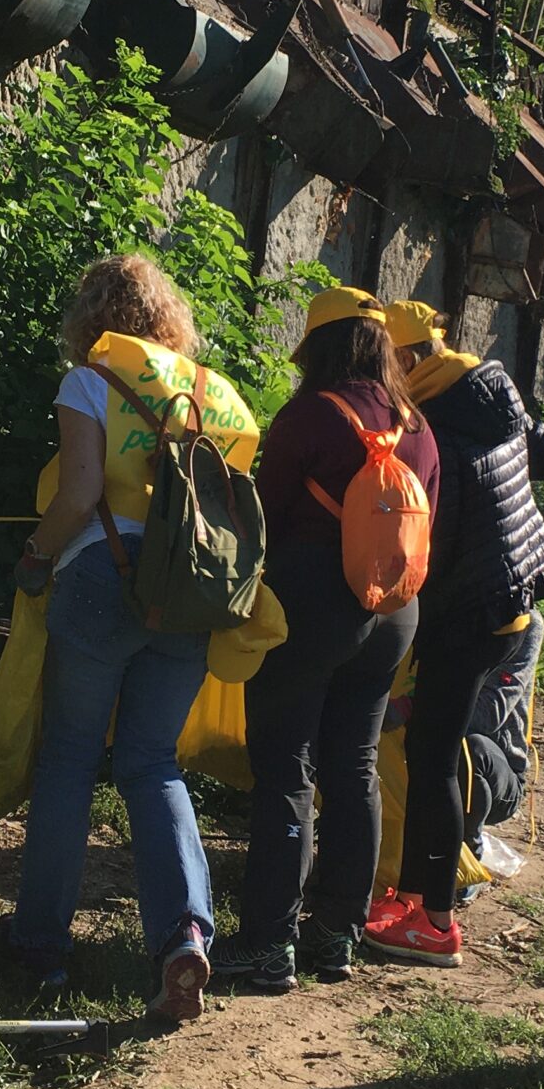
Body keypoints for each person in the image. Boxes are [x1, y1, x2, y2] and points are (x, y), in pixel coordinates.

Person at [9, 253, 252, 1025]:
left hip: (102, 583)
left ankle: (40, 947)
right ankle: (183, 932)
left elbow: (80, 495)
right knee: (152, 763)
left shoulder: (89, 382)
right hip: (188, 597)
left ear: (91, 318)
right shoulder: (219, 397)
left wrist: (36, 557)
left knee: (70, 762)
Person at [211, 287, 439, 994]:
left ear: (318, 346)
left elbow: (263, 511)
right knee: (355, 766)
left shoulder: (313, 414)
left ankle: (267, 946)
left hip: (312, 604)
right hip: (395, 611)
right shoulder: (418, 426)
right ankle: (334, 937)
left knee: (287, 769)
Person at [364, 300, 544, 966]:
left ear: (408, 359)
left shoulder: (432, 425)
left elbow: (433, 539)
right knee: (438, 752)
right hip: (514, 603)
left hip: (467, 611)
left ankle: (436, 923)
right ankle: (422, 895)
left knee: (432, 762)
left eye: (384, 363)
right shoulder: (489, 390)